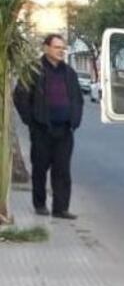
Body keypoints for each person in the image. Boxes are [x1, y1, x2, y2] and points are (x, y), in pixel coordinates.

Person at [13, 34, 84, 219]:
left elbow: (77, 99)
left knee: (62, 170)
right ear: (46, 48)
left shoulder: (69, 73)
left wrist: (74, 120)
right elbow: (20, 97)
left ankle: (60, 209)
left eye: (63, 48)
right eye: (56, 47)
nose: (61, 51)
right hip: (42, 130)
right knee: (40, 168)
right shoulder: (34, 70)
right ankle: (40, 204)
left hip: (64, 130)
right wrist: (32, 121)